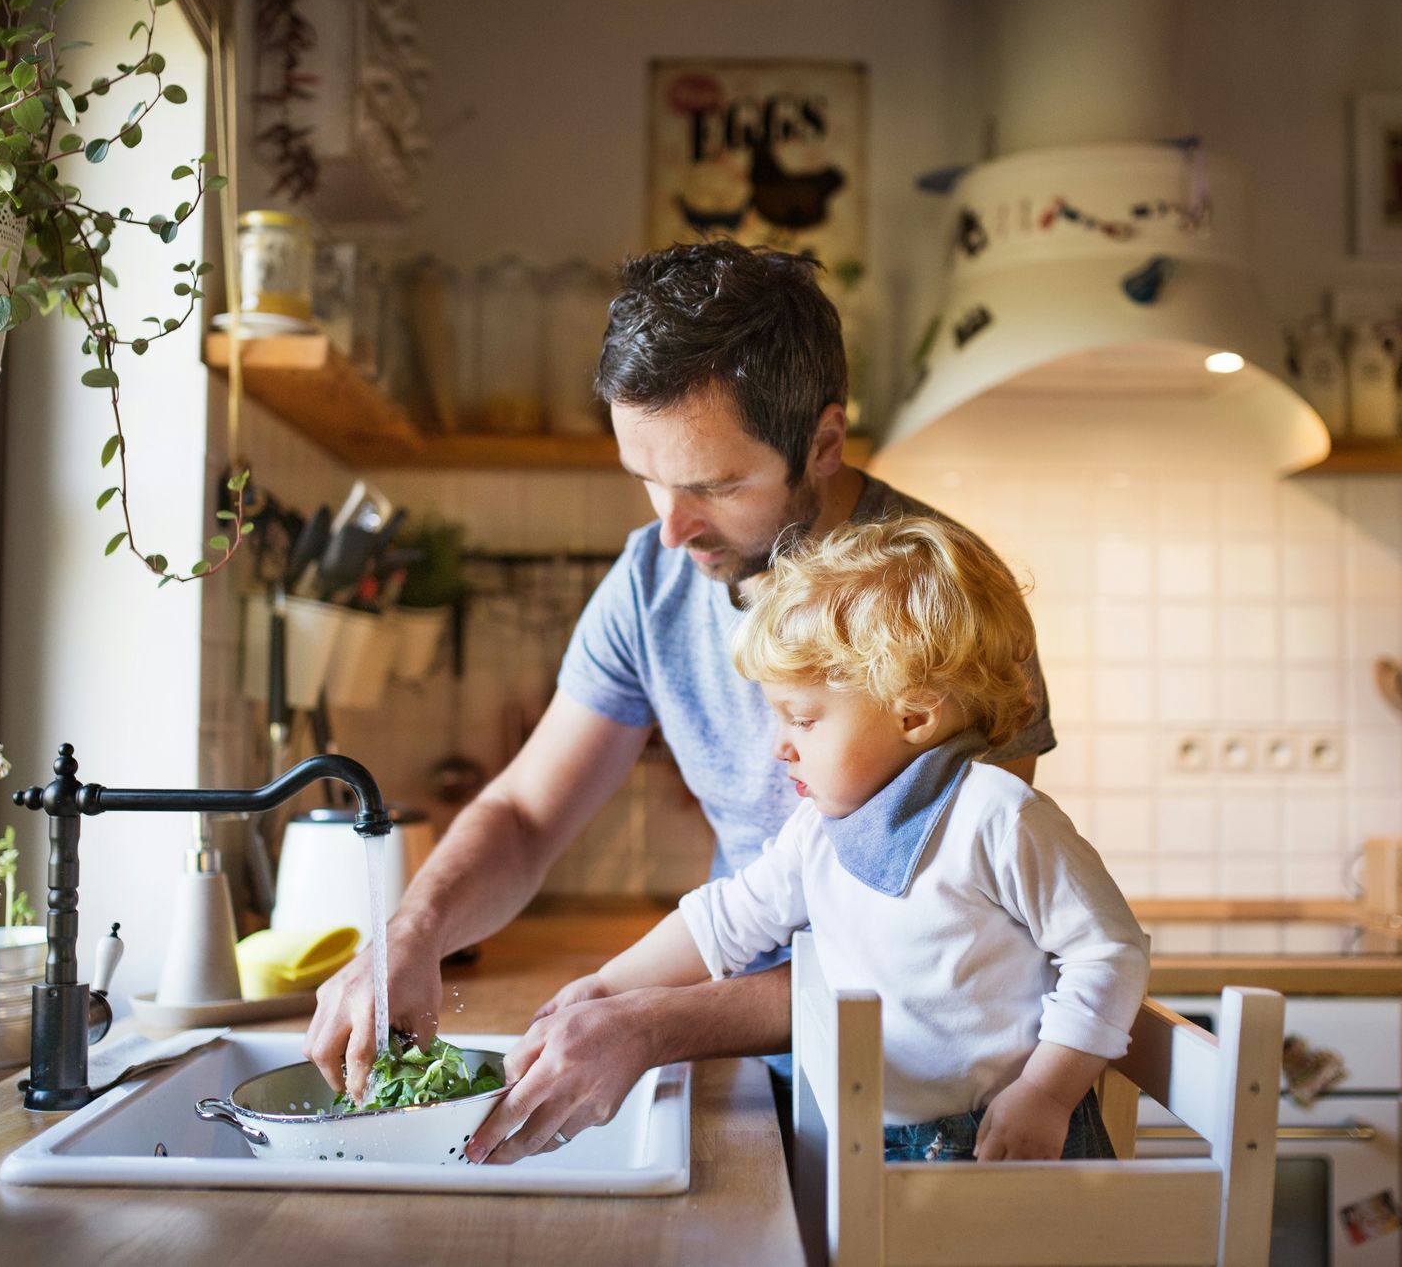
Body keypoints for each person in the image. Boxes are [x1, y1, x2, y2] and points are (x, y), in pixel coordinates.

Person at [305, 239, 1057, 1163]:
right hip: (755, 1059)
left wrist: (660, 1023)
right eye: (648, 477)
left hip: (935, 1099)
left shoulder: (947, 605)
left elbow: (940, 945)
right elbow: (527, 813)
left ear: (822, 444)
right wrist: (411, 934)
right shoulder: (651, 579)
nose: (671, 525)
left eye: (713, 485)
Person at [567, 517, 1148, 1161]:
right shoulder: (820, 829)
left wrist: (1045, 1093)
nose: (779, 746)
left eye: (803, 718)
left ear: (914, 715)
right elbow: (726, 920)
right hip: (871, 1140)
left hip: (1004, 1137)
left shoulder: (999, 818)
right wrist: (602, 988)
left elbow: (1109, 955)